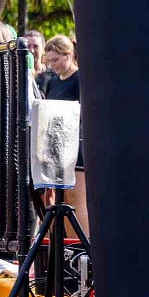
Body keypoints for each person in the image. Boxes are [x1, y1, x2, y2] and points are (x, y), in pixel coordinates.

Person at [38, 35, 86, 236]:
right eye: (49, 61)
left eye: (56, 60)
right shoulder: (52, 82)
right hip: (57, 149)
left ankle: (82, 250)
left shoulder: (79, 80)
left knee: (76, 201)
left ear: (69, 55)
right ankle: (66, 250)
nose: (52, 65)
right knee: (59, 200)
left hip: (77, 147)